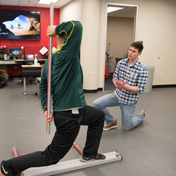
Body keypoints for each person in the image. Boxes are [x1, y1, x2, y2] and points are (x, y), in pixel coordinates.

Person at [0, 21, 105, 176]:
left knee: (98, 117)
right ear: (68, 40)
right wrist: (56, 29)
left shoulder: (51, 60)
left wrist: (46, 108)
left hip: (76, 109)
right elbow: (77, 26)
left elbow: (43, 87)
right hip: (69, 116)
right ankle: (8, 166)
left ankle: (89, 153)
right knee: (50, 157)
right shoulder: (67, 54)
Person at [93, 41, 148, 131]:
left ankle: (141, 115)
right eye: (130, 50)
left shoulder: (142, 69)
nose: (130, 52)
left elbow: (140, 89)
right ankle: (111, 121)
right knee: (97, 104)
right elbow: (115, 77)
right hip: (117, 96)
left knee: (127, 127)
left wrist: (125, 86)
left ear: (139, 53)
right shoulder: (121, 63)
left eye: (134, 51)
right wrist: (116, 83)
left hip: (129, 102)